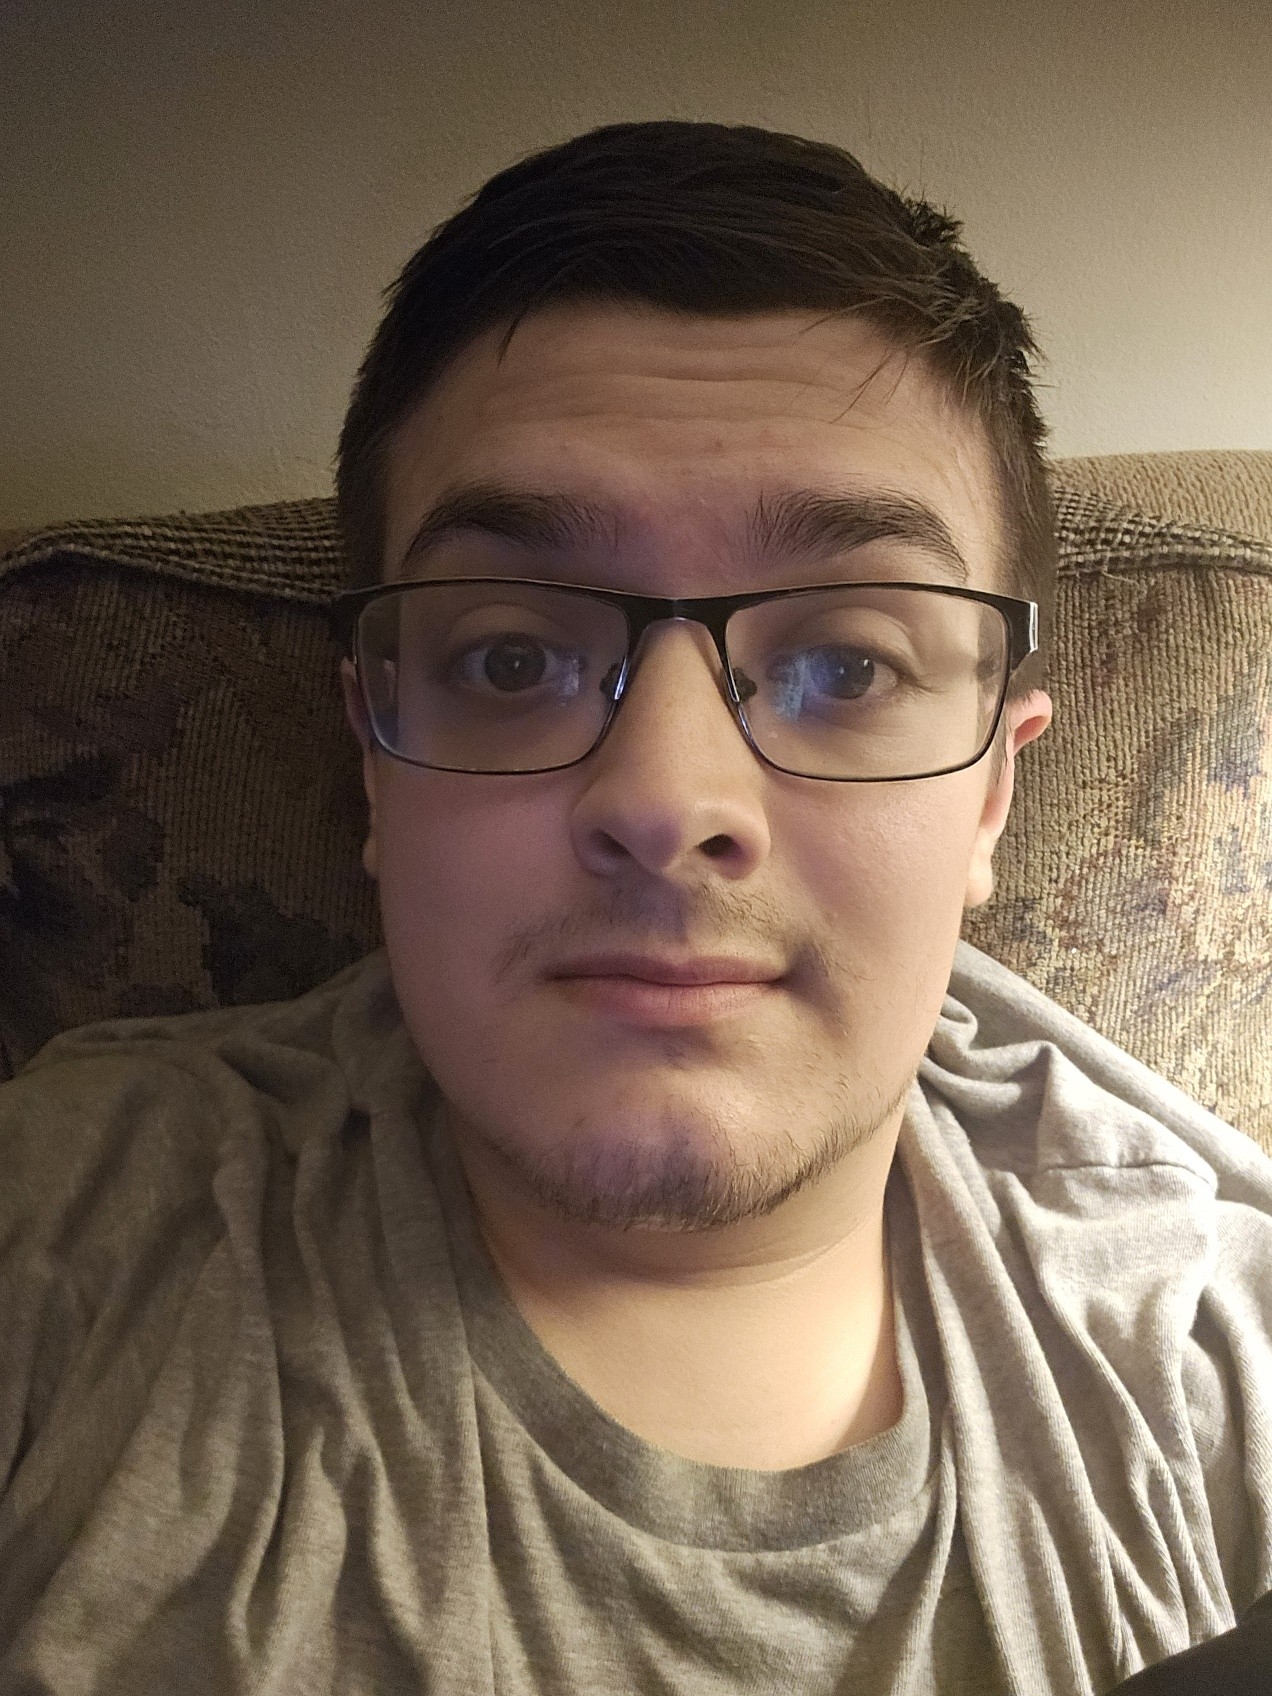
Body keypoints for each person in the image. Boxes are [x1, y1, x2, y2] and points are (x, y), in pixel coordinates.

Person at [1, 120, 1269, 1696]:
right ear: (375, 765)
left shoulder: (1221, 1362)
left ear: (991, 798)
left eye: (846, 665)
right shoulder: (57, 1237)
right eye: (513, 658)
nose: (667, 803)